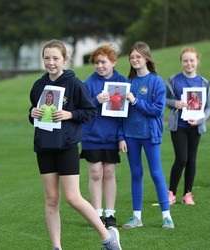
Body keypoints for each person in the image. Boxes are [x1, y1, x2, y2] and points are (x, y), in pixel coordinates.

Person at [28, 40, 121, 250]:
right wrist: (32, 114)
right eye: (47, 58)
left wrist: (69, 114)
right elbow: (35, 113)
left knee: (72, 197)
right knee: (51, 199)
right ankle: (56, 246)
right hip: (44, 147)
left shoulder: (74, 83)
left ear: (64, 60)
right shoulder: (38, 85)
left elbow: (89, 112)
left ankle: (108, 237)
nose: (50, 62)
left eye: (55, 58)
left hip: (66, 146)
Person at [118, 41, 174, 229]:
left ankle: (167, 216)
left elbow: (157, 110)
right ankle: (136, 217)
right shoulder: (128, 83)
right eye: (132, 57)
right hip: (131, 135)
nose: (134, 60)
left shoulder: (156, 81)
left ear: (146, 58)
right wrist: (121, 136)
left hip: (150, 135)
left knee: (156, 173)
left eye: (138, 56)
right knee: (136, 173)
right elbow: (120, 113)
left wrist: (135, 101)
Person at [80, 44, 128, 228]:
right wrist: (96, 101)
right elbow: (83, 111)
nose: (100, 66)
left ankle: (110, 214)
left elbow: (124, 115)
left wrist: (121, 137)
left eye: (103, 62)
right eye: (96, 62)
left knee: (109, 173)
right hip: (91, 136)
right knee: (95, 173)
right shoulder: (88, 84)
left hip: (112, 136)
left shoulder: (122, 83)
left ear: (113, 62)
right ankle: (97, 214)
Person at [166, 47, 210, 205]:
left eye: (192, 60)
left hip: (195, 127)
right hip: (178, 126)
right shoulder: (173, 80)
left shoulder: (204, 82)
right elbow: (164, 100)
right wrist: (175, 103)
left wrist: (200, 120)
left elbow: (209, 107)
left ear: (197, 61)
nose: (189, 63)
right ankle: (171, 193)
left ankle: (187, 195)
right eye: (185, 60)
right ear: (181, 62)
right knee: (181, 159)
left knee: (192, 159)